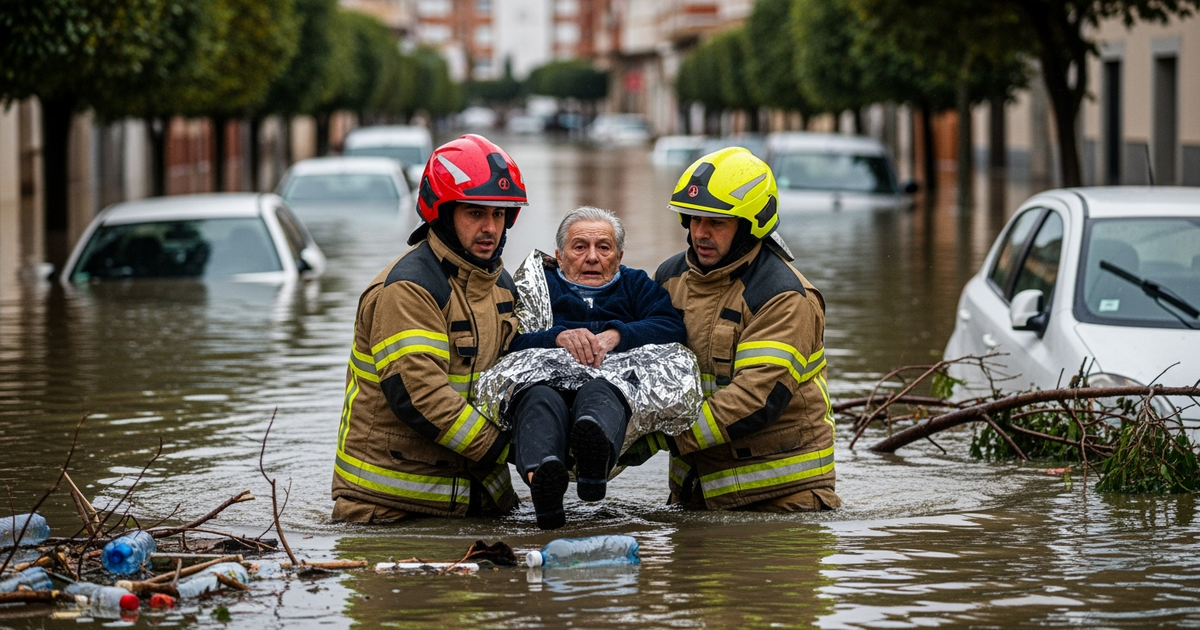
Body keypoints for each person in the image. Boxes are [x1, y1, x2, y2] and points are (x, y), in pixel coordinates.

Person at [331, 134, 526, 522]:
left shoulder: (500, 287)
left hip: (477, 503)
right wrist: (514, 450)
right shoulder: (408, 289)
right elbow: (420, 396)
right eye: (475, 213)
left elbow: (518, 377)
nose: (490, 227)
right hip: (391, 512)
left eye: (499, 214)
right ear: (443, 213)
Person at [654, 147, 841, 512]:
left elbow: (755, 400)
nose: (700, 233)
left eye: (716, 222)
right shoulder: (670, 278)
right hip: (698, 495)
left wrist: (655, 438)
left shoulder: (784, 296)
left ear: (750, 224)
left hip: (782, 503)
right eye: (693, 219)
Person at [507, 207, 686, 529]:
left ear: (618, 256)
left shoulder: (635, 284)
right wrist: (557, 337)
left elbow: (671, 327)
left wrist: (617, 334)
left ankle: (595, 463)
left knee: (599, 394)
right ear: (559, 256)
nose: (592, 257)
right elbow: (511, 341)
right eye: (580, 247)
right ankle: (543, 481)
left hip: (609, 385)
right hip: (547, 384)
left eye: (603, 247)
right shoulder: (538, 288)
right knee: (538, 399)